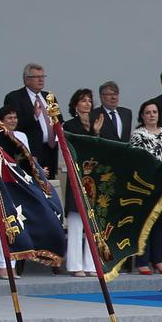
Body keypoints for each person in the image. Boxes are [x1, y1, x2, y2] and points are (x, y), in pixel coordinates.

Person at [129, 101, 162, 275]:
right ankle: (143, 261)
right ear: (142, 116)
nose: (152, 115)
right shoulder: (138, 135)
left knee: (161, 225)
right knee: (146, 225)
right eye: (148, 112)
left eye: (154, 112)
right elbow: (137, 160)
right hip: (148, 187)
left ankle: (159, 260)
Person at [0, 106, 32, 279]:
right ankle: (2, 265)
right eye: (9, 117)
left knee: (15, 226)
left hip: (17, 185)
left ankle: (12, 264)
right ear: (1, 120)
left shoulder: (21, 136)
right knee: (1, 227)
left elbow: (26, 159)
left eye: (15, 117)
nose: (13, 120)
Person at [61, 88, 101, 277]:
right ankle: (75, 265)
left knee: (93, 225)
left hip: (93, 177)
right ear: (75, 105)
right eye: (83, 100)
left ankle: (92, 264)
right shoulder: (69, 125)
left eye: (89, 100)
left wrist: (96, 133)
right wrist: (93, 134)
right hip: (77, 176)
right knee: (77, 223)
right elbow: (75, 148)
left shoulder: (97, 123)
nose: (87, 104)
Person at [2, 63, 56, 175]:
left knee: (51, 186)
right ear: (26, 80)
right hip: (31, 153)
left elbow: (58, 121)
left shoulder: (49, 97)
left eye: (42, 76)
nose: (41, 79)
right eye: (36, 77)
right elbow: (14, 125)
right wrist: (34, 116)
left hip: (51, 150)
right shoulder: (14, 97)